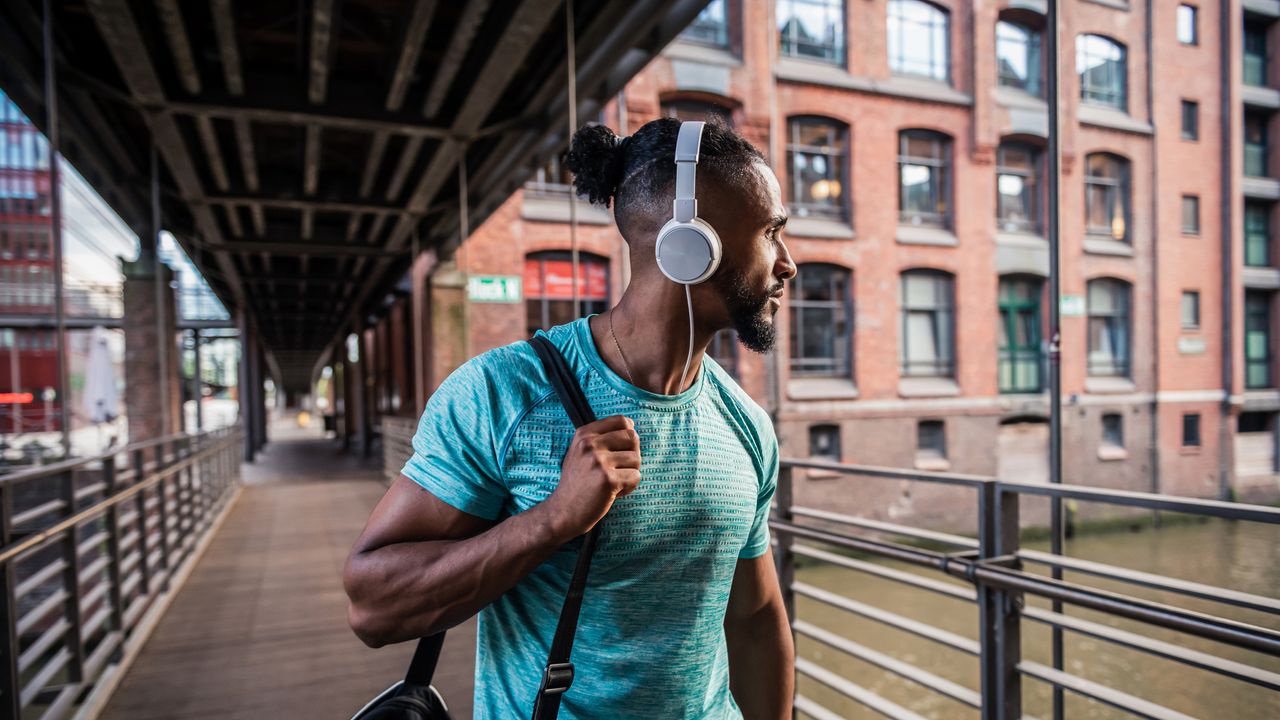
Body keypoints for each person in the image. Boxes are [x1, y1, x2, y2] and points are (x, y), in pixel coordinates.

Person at [343, 116, 797, 719]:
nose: (788, 264)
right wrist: (552, 520)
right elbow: (374, 607)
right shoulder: (501, 392)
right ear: (689, 243)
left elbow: (755, 618)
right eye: (772, 232)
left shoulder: (745, 422)